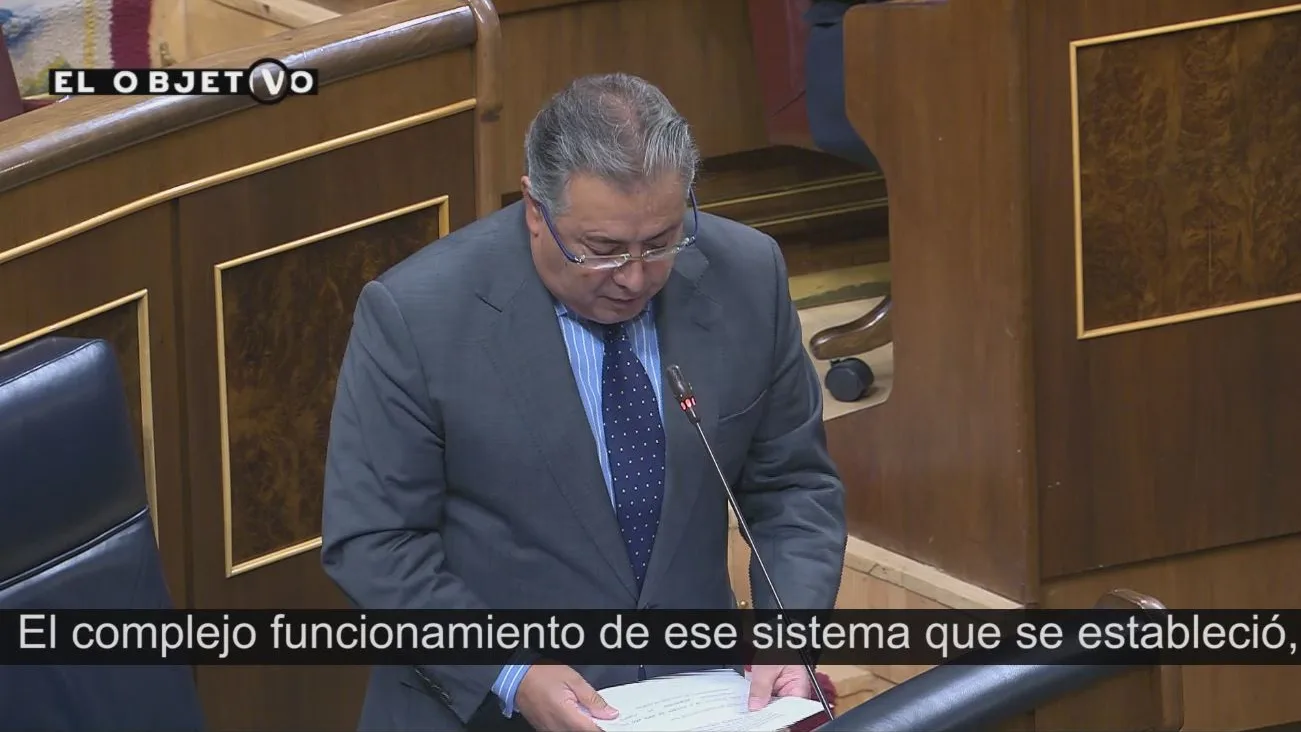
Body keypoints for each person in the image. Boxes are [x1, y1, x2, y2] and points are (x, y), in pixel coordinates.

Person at [320, 72, 848, 732]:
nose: (634, 278)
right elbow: (374, 541)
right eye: (601, 250)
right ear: (534, 211)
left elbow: (792, 486)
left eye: (659, 242)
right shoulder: (416, 316)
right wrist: (510, 671)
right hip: (488, 710)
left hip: (695, 702)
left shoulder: (748, 274)